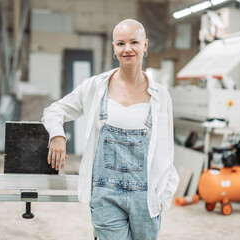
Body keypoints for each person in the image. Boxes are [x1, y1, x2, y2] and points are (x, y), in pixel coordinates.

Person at [42, 19, 179, 240]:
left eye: (134, 42)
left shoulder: (160, 95)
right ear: (114, 48)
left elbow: (166, 149)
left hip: (146, 197)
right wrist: (57, 135)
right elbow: (54, 110)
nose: (128, 49)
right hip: (105, 194)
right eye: (121, 43)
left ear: (145, 45)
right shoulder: (95, 87)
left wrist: (165, 193)